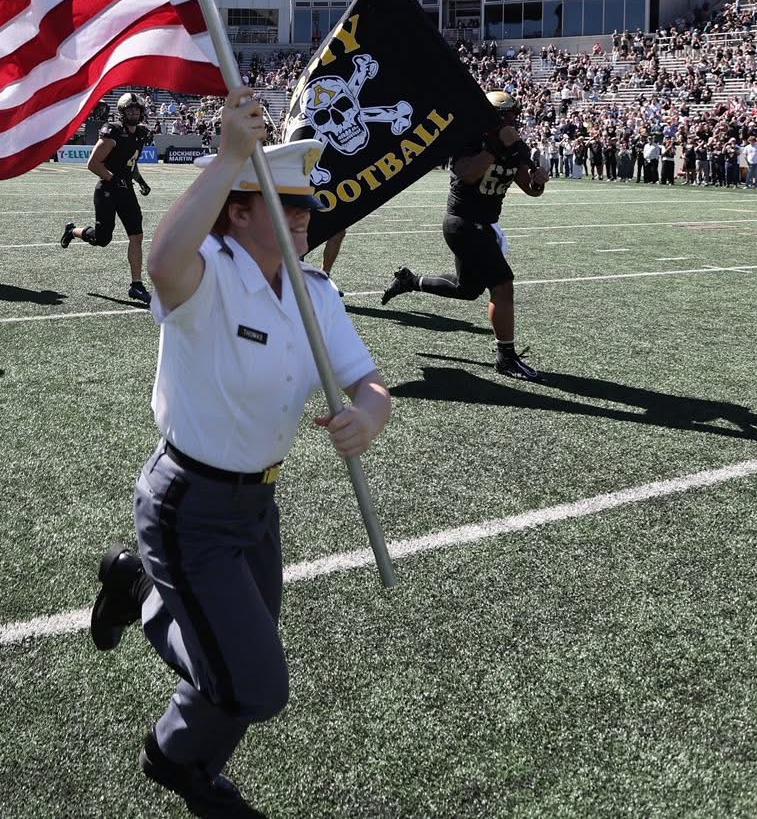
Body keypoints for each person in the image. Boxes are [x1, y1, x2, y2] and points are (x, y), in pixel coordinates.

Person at [87, 88, 390, 816]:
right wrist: (225, 158)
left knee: (234, 660)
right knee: (254, 683)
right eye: (283, 207)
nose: (302, 220)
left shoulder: (316, 292)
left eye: (308, 209)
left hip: (257, 503)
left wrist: (370, 414)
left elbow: (365, 380)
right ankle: (148, 637)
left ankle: (190, 764)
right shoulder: (208, 273)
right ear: (238, 212)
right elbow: (161, 262)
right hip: (188, 503)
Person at [379, 90, 548, 380]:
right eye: (506, 115)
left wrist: (538, 181)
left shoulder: (517, 147)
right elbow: (467, 173)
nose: (513, 120)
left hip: (484, 225)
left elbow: (530, 188)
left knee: (467, 289)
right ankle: (505, 358)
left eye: (514, 114)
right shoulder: (470, 139)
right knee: (503, 285)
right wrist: (496, 147)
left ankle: (410, 280)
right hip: (463, 223)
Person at [62, 93, 156, 304]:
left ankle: (136, 285)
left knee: (137, 235)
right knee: (102, 239)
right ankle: (72, 230)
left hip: (126, 191)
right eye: (130, 109)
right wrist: (114, 180)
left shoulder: (141, 133)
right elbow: (93, 163)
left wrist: (140, 181)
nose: (134, 112)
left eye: (137, 109)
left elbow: (130, 163)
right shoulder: (113, 132)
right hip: (107, 190)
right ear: (122, 112)